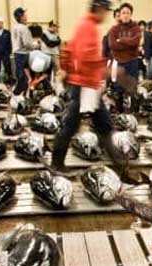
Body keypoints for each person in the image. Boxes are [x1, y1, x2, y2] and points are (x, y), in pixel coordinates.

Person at [52, 0, 135, 182]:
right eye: (106, 11)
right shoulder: (88, 27)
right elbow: (86, 59)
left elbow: (68, 50)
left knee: (104, 125)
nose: (106, 15)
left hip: (87, 85)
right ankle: (56, 165)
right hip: (85, 87)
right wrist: (110, 72)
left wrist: (67, 71)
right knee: (71, 126)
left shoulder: (84, 24)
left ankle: (121, 167)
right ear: (99, 9)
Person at [108, 3, 141, 113]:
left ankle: (134, 113)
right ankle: (119, 113)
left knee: (133, 89)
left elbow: (135, 42)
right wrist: (129, 43)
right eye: (123, 13)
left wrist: (121, 40)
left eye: (128, 13)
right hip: (120, 63)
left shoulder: (136, 28)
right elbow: (113, 45)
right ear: (120, 15)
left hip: (133, 61)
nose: (125, 15)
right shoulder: (114, 29)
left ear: (131, 14)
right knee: (118, 89)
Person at [11, 7, 38, 95]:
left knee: (20, 76)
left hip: (17, 54)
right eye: (24, 14)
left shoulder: (15, 27)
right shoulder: (23, 28)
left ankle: (17, 94)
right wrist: (36, 45)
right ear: (20, 16)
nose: (26, 16)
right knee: (26, 77)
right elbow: (27, 43)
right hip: (24, 55)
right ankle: (21, 96)